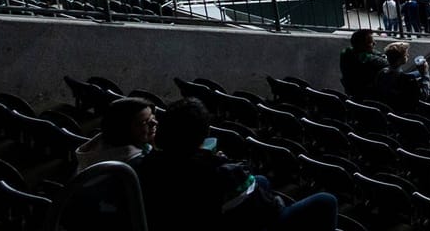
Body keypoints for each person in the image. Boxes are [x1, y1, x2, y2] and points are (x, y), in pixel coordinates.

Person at [135, 98, 337, 231]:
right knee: (326, 201)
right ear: (203, 133)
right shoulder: (221, 172)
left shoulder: (146, 163)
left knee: (261, 180)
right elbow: (269, 210)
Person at [74, 96, 157, 171]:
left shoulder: (101, 141)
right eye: (144, 122)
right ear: (123, 130)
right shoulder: (133, 163)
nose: (154, 123)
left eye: (153, 117)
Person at [371, 41, 430, 111]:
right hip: (404, 109)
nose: (408, 55)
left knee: (428, 74)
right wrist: (425, 73)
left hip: (389, 105)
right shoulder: (406, 79)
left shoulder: (381, 73)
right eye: (406, 54)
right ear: (399, 59)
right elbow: (424, 95)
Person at [339, 29, 387, 97]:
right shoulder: (364, 58)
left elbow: (375, 53)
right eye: (370, 42)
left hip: (351, 93)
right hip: (366, 95)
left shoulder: (347, 52)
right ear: (360, 45)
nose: (374, 43)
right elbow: (386, 62)